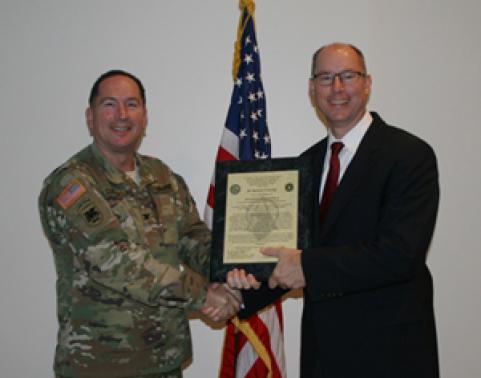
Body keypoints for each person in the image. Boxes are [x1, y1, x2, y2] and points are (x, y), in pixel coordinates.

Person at [227, 43, 440, 377]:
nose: (337, 88)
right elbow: (291, 253)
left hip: (390, 353)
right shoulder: (304, 166)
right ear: (312, 90)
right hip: (324, 353)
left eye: (348, 76)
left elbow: (401, 253)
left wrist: (307, 266)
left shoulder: (410, 155)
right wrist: (236, 291)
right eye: (325, 78)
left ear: (367, 83)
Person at [39, 70, 240, 378]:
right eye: (110, 104)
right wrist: (204, 296)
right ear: (90, 116)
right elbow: (115, 260)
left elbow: (192, 238)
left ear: (144, 116)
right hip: (101, 364)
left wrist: (231, 269)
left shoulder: (162, 177)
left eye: (131, 104)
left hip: (164, 360)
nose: (122, 115)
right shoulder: (72, 183)